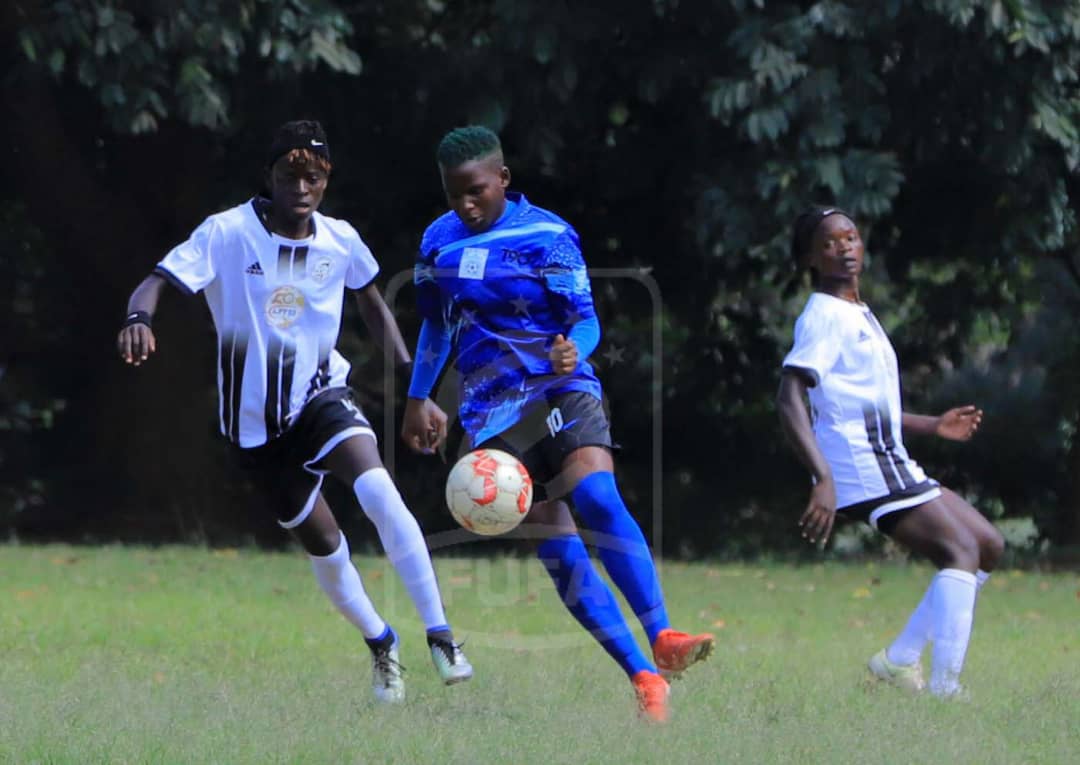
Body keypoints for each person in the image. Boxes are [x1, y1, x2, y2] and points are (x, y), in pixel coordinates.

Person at [116, 119, 472, 704]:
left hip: (321, 398)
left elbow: (373, 306)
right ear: (271, 175)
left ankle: (441, 635)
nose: (301, 186)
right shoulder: (227, 233)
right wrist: (138, 319)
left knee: (379, 492)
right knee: (328, 550)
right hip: (255, 432)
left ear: (326, 181)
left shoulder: (340, 240)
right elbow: (155, 282)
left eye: (314, 176)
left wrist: (419, 387)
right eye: (290, 174)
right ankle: (382, 644)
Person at [400, 125, 714, 722]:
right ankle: (644, 677)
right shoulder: (436, 243)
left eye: (476, 192)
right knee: (559, 548)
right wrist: (418, 398)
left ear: (503, 180)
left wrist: (576, 349)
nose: (466, 206)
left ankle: (664, 634)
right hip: (491, 413)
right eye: (454, 195)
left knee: (596, 493)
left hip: (560, 388)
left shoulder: (549, 234)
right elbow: (437, 327)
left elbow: (585, 319)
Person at [776, 205, 1005, 698]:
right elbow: (790, 395)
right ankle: (946, 689)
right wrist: (822, 477)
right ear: (811, 258)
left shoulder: (857, 311)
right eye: (830, 242)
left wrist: (933, 425)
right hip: (860, 468)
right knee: (960, 551)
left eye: (851, 237)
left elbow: (862, 405)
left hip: (887, 459)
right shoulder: (823, 315)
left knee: (988, 545)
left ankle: (899, 660)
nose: (844, 247)